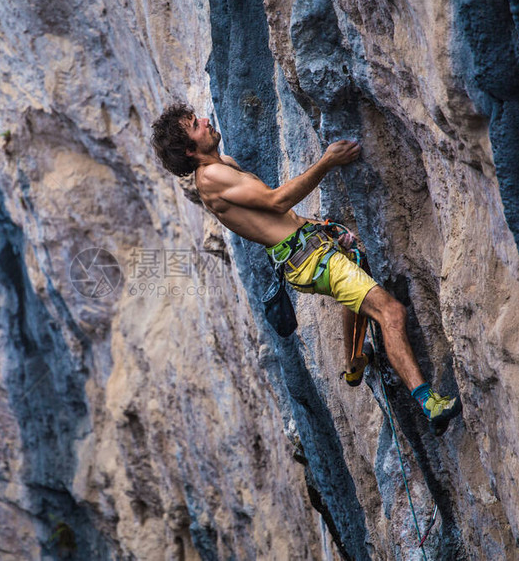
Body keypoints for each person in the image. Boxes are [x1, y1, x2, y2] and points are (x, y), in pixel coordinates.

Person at [151, 103, 461, 434]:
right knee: (391, 313)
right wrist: (327, 161)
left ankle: (356, 364)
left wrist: (319, 226)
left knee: (357, 282)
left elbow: (274, 220)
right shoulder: (211, 177)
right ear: (190, 149)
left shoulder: (223, 164)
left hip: (307, 249)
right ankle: (429, 403)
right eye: (195, 124)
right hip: (310, 261)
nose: (205, 120)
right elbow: (276, 202)